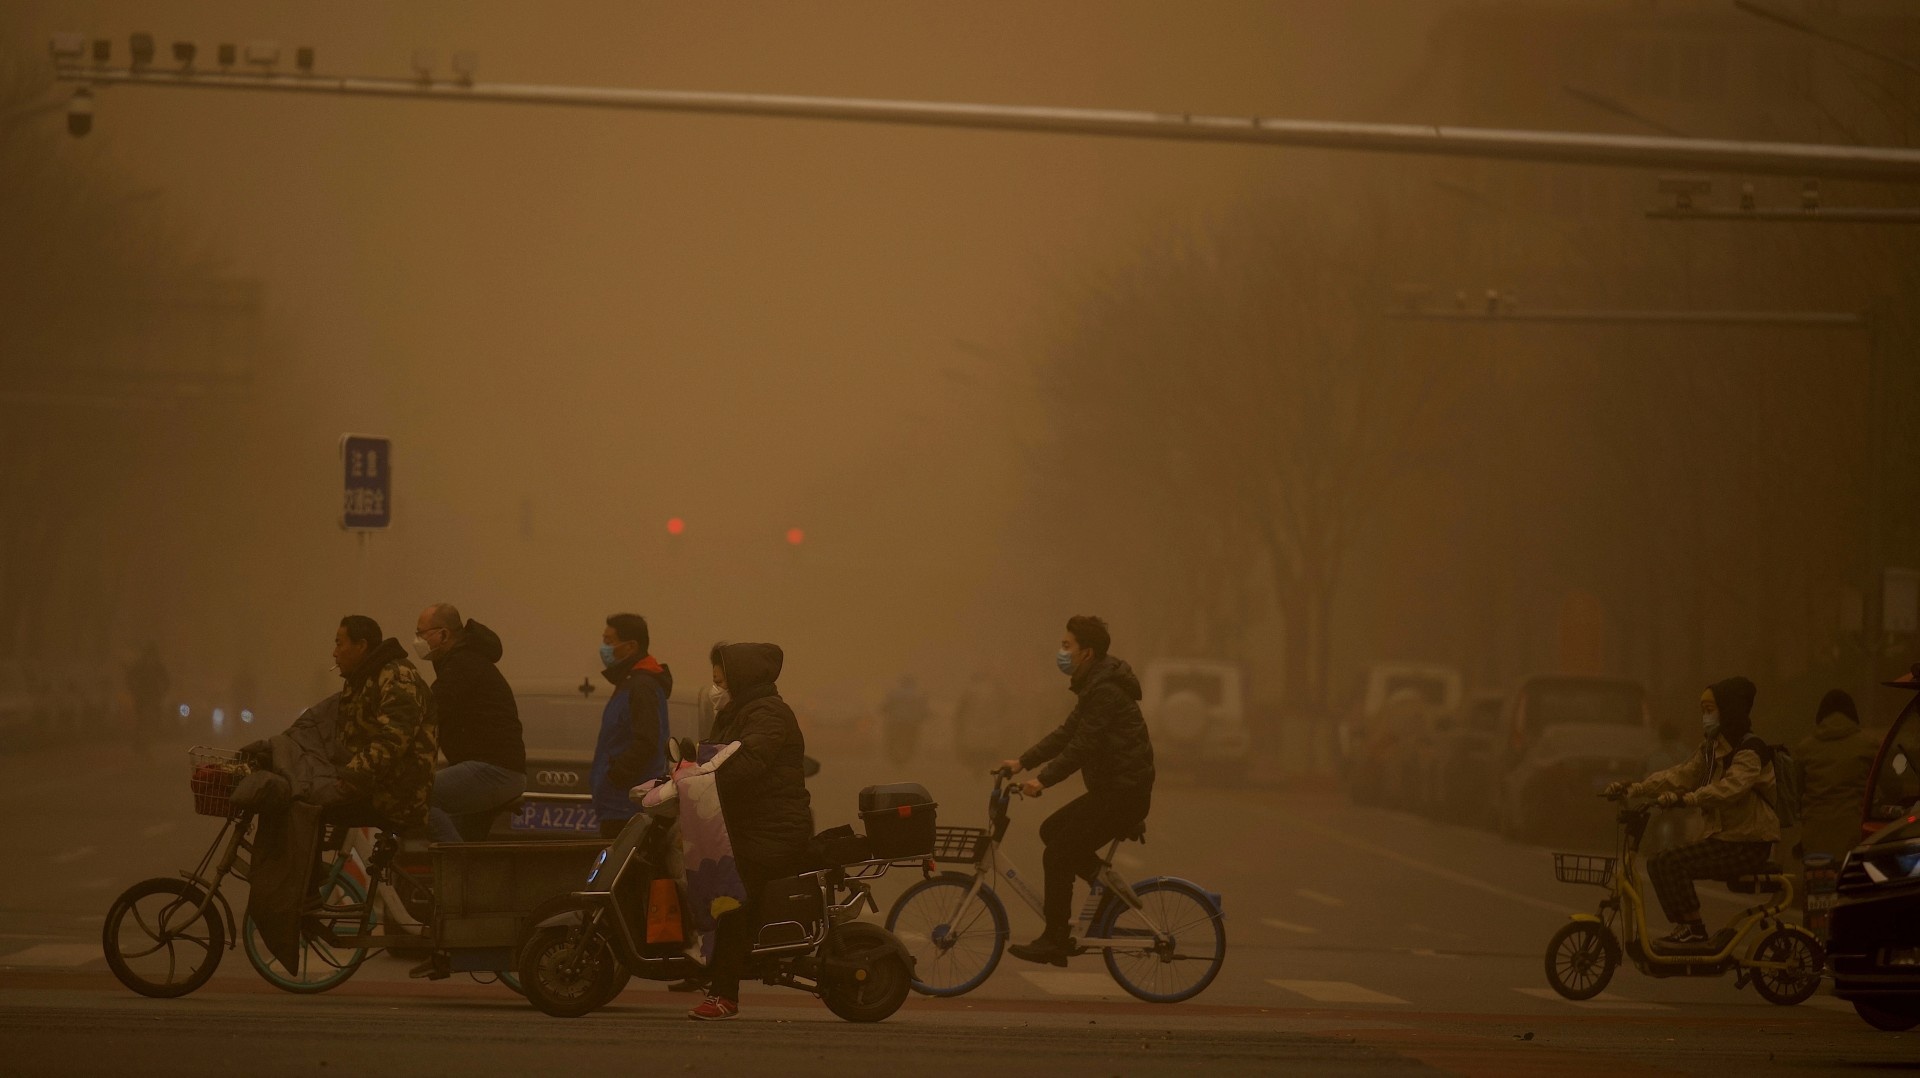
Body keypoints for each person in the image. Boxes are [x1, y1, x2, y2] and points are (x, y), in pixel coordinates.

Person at [998, 615, 1155, 967]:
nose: (1062, 652)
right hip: (1114, 791)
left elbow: (1082, 745)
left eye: (1067, 646)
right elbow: (1066, 733)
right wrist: (1022, 762)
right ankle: (1109, 893)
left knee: (1058, 855)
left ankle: (1055, 939)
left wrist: (1043, 780)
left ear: (1087, 653)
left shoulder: (1106, 691)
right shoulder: (1094, 686)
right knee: (1051, 831)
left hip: (1123, 794)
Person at [691, 641, 815, 1022]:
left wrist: (702, 782)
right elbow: (713, 756)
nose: (715, 687)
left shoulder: (768, 714)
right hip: (748, 826)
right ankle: (701, 964)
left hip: (774, 832)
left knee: (730, 892)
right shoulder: (737, 711)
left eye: (721, 679)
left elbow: (747, 763)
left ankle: (725, 994)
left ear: (741, 678)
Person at [1606, 676, 1777, 946]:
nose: (1705, 717)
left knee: (1672, 862)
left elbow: (1731, 789)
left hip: (1747, 844)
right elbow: (1681, 774)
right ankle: (1686, 925)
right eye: (1703, 711)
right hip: (1725, 840)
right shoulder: (1712, 748)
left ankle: (1694, 929)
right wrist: (1636, 788)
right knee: (1657, 862)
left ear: (1728, 710)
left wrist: (1689, 799)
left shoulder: (1751, 751)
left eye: (1710, 710)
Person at [415, 603, 526, 843]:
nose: (418, 640)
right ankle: (464, 865)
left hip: (492, 769)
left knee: (419, 795)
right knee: (465, 837)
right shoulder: (462, 662)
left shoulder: (462, 666)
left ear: (443, 635)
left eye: (421, 633)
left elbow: (427, 712)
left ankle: (458, 864)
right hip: (493, 768)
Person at [330, 615, 439, 831]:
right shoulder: (361, 679)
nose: (335, 653)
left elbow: (394, 736)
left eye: (339, 644)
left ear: (361, 646)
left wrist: (352, 775)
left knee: (315, 810)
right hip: (373, 790)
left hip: (397, 798)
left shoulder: (397, 675)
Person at [591, 613, 674, 841]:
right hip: (616, 805)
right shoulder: (630, 682)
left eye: (609, 641)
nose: (604, 648)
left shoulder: (642, 686)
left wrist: (615, 776)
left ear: (631, 646)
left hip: (627, 806)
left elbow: (647, 741)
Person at [1794, 689, 1878, 867]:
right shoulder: (1868, 745)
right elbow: (1888, 787)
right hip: (1854, 832)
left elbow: (1797, 791)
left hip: (1814, 834)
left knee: (1816, 879)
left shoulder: (1805, 748)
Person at [126, 643, 170, 757]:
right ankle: (141, 744)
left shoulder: (157, 666)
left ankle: (144, 744)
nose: (152, 657)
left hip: (154, 697)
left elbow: (166, 680)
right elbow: (129, 677)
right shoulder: (140, 666)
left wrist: (162, 691)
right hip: (142, 697)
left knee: (152, 720)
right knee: (142, 721)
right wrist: (134, 689)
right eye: (150, 654)